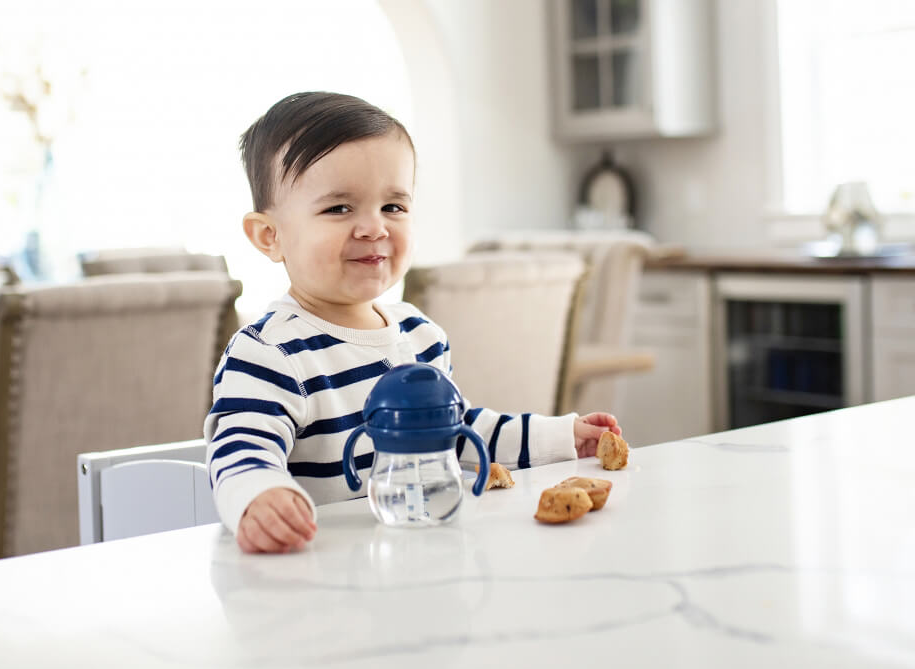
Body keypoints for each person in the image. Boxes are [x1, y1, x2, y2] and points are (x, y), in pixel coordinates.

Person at [205, 92, 622, 554]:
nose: (374, 227)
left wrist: (560, 436)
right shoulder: (270, 352)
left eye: (393, 207)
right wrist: (259, 498)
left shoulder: (419, 336)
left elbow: (461, 430)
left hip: (413, 560)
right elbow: (240, 452)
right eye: (339, 208)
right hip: (319, 575)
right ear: (270, 236)